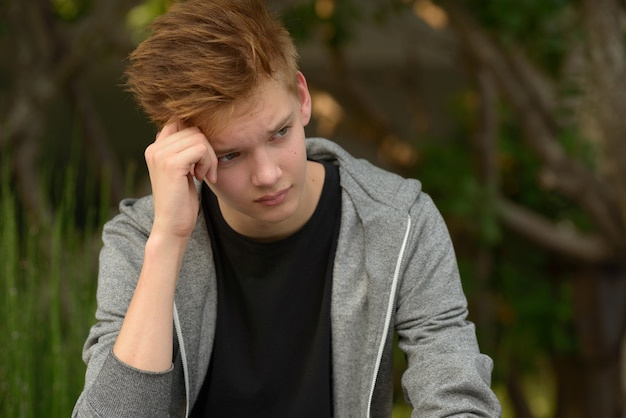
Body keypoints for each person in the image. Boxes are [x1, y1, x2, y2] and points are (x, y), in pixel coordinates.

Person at [72, 0, 501, 416]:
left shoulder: (400, 221)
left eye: (279, 133)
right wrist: (168, 241)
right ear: (183, 151)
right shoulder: (141, 240)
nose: (268, 175)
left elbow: (456, 395)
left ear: (302, 97)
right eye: (230, 155)